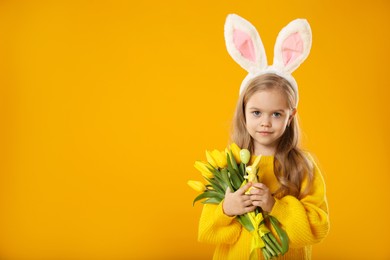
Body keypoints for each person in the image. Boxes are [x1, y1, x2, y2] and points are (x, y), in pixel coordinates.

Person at [197, 14, 329, 259]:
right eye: (256, 112)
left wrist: (275, 207)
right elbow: (206, 230)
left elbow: (318, 226)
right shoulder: (229, 162)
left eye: (277, 114)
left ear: (291, 115)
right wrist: (227, 208)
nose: (265, 122)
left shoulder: (302, 166)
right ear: (244, 112)